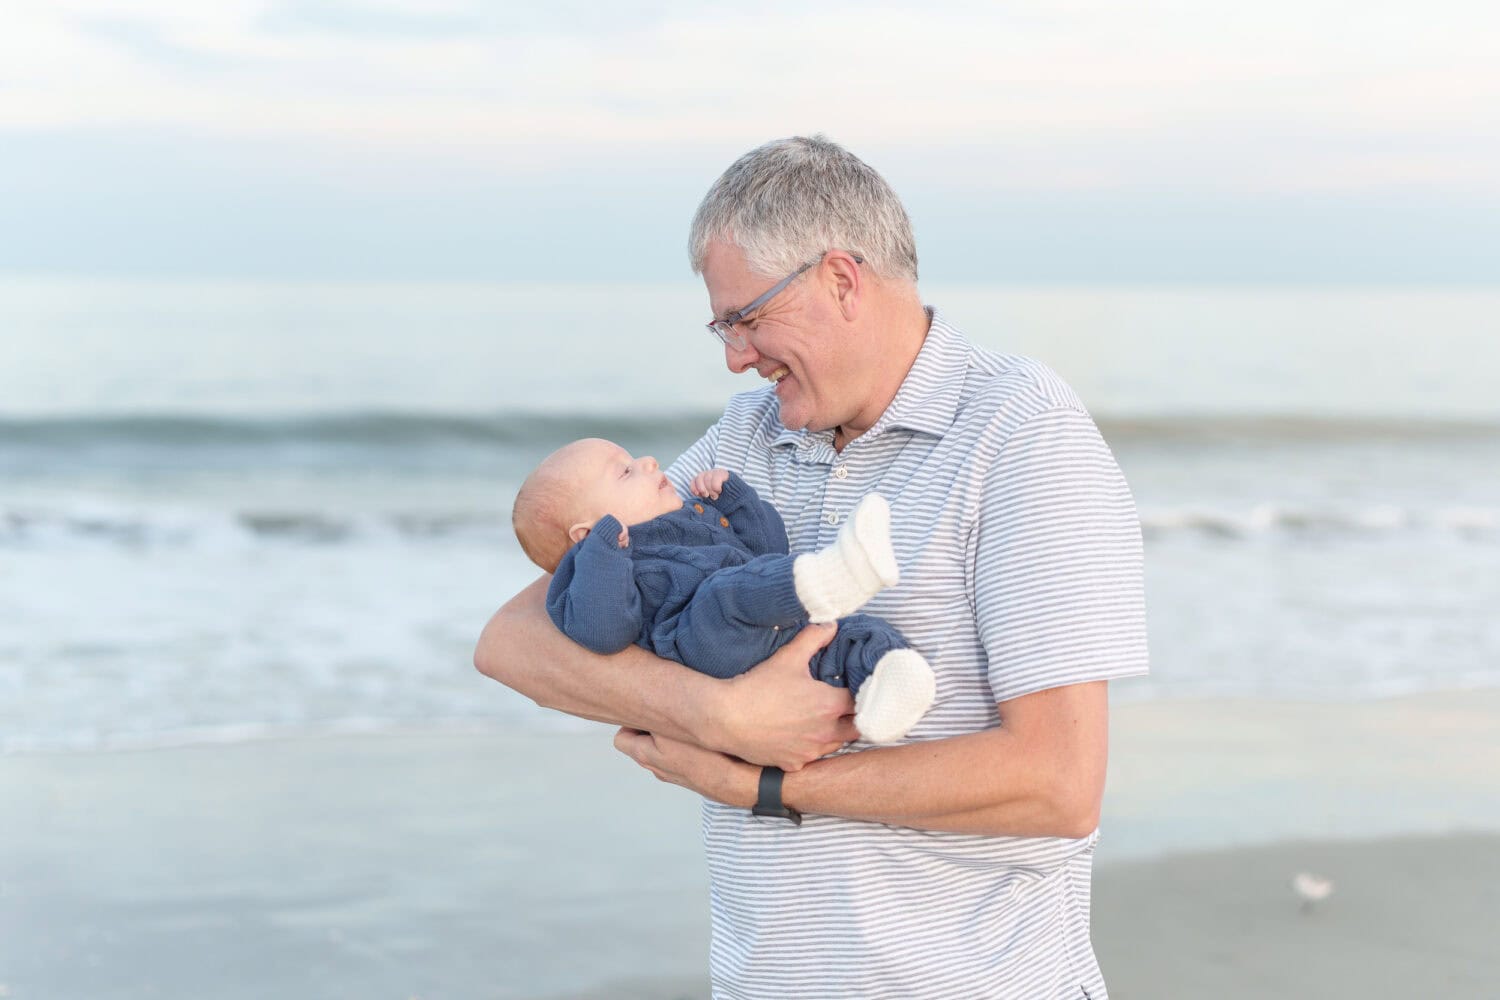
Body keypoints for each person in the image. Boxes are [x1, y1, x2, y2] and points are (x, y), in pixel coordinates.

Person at [476, 135, 1149, 999]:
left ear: (840, 278)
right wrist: (719, 712)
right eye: (722, 326)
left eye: (746, 318)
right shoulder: (745, 438)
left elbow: (1057, 786)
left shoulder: (1023, 432)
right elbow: (512, 639)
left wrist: (764, 784)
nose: (734, 355)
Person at [510, 437, 936, 743]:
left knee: (860, 632)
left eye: (634, 458)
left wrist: (734, 499)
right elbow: (604, 631)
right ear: (586, 532)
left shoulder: (694, 515)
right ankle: (834, 575)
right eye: (625, 471)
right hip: (702, 639)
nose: (649, 462)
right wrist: (601, 553)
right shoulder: (594, 574)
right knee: (724, 592)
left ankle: (886, 696)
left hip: (776, 630)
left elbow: (766, 549)